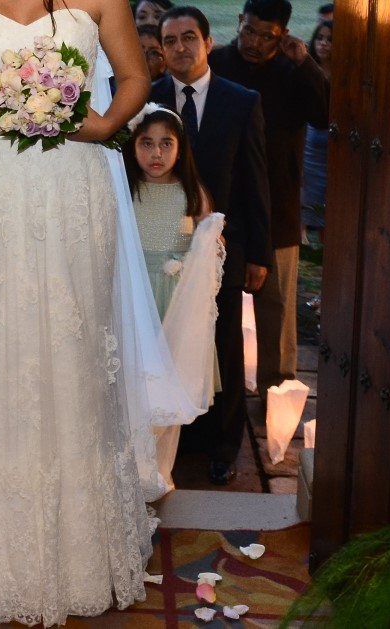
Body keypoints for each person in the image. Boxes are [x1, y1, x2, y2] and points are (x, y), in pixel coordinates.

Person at [0, 0, 204, 624]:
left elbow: (135, 77)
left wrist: (105, 126)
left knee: (73, 352)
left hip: (73, 182)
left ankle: (78, 549)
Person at [151, 5, 273, 485]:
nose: (180, 47)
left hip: (224, 246)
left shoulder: (241, 101)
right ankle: (176, 435)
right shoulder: (149, 100)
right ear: (161, 50)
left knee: (222, 344)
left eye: (189, 38)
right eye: (170, 41)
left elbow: (256, 181)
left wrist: (259, 253)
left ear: (207, 42)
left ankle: (223, 446)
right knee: (168, 341)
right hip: (160, 242)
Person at [209, 0, 329, 412]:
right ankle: (216, 392)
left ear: (284, 35)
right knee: (213, 301)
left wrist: (306, 63)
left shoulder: (292, 71)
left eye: (266, 36)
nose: (254, 42)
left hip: (279, 203)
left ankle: (277, 395)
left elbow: (326, 115)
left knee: (277, 306)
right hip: (223, 203)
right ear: (239, 21)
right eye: (249, 30)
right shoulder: (217, 63)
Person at [123, 103, 226, 489]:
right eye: (146, 143)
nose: (156, 153)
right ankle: (130, 470)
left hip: (175, 304)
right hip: (136, 301)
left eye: (166, 144)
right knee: (134, 387)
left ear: (181, 149)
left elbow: (209, 252)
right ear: (133, 146)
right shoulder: (126, 191)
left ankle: (159, 472)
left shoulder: (192, 194)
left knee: (168, 388)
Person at [301, 20, 332, 246]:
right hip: (310, 144)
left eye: (330, 40)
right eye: (320, 38)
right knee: (306, 198)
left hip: (333, 145)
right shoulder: (309, 70)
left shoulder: (345, 75)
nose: (323, 43)